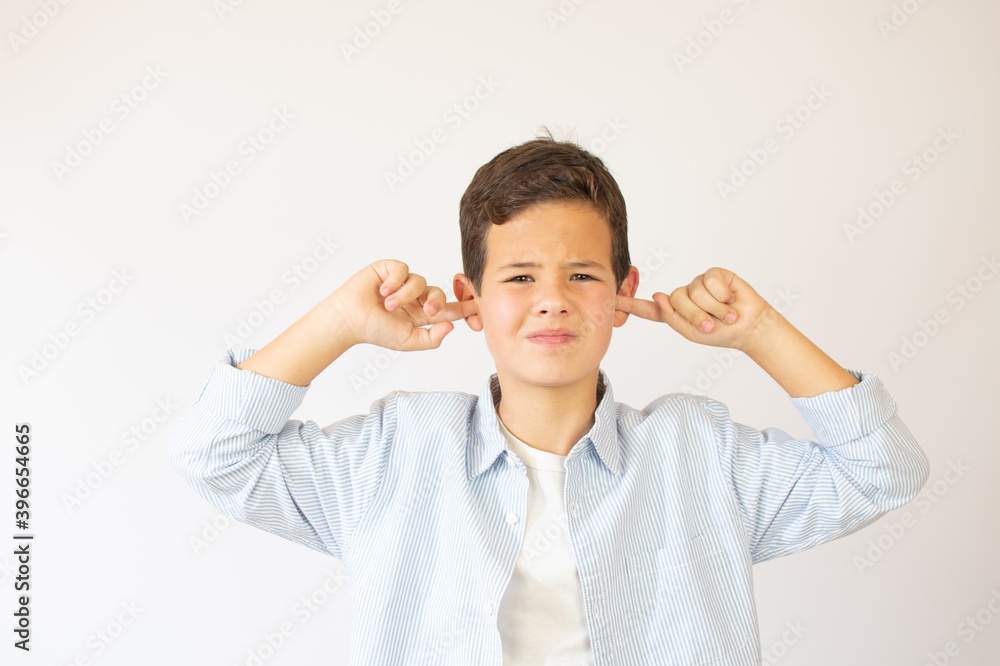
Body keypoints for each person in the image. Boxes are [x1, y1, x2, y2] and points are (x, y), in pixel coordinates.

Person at [168, 130, 930, 665]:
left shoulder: (698, 454)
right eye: (521, 276)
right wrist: (338, 321)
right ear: (470, 297)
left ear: (625, 291)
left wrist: (759, 331)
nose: (553, 301)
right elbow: (215, 454)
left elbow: (885, 471)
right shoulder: (393, 455)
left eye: (583, 275)